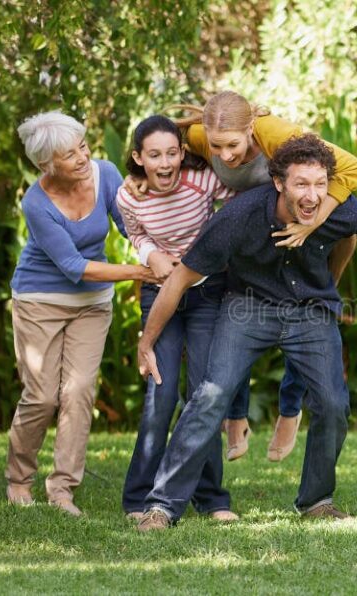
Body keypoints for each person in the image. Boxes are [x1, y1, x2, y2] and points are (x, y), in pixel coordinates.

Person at [133, 134, 357, 531]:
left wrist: (330, 283)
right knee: (211, 394)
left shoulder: (342, 210)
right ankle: (163, 506)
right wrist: (146, 340)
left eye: (319, 185)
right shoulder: (236, 218)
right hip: (248, 306)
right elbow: (177, 281)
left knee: (332, 403)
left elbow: (350, 236)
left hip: (309, 310)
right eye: (301, 184)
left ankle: (316, 500)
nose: (312, 196)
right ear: (279, 183)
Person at [6, 111, 157, 516]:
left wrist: (155, 247)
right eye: (68, 155)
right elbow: (73, 267)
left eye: (82, 147)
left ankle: (62, 490)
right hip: (40, 300)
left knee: (77, 393)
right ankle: (19, 479)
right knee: (40, 397)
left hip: (91, 304)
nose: (81, 158)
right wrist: (140, 271)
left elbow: (129, 227)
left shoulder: (104, 173)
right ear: (45, 165)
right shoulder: (37, 203)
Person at [117, 115, 239, 522]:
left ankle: (212, 498)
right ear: (139, 158)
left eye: (172, 152)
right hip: (159, 295)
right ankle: (138, 497)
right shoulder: (129, 197)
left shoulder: (202, 182)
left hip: (206, 294)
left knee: (204, 395)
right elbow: (135, 234)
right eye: (154, 155)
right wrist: (149, 253)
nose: (165, 163)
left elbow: (241, 192)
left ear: (183, 153)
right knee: (161, 394)